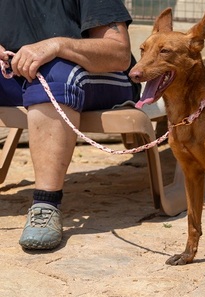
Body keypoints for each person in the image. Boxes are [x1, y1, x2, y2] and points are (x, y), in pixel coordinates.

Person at [0, 1, 141, 250]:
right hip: (18, 74)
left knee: (55, 74)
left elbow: (118, 54)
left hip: (98, 74)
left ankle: (46, 204)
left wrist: (57, 45)